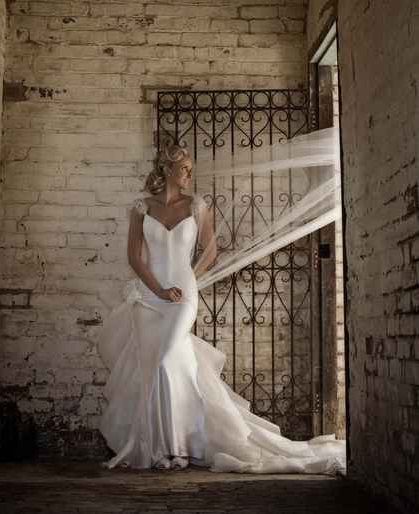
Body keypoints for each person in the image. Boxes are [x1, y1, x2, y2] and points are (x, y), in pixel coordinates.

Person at [98, 144, 346, 474]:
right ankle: (159, 447)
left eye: (189, 168)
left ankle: (177, 448)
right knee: (154, 368)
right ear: (168, 169)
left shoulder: (196, 206)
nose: (188, 174)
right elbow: (134, 257)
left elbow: (210, 251)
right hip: (148, 298)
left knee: (164, 360)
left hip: (182, 298)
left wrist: (187, 282)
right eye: (184, 168)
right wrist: (158, 288)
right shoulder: (141, 208)